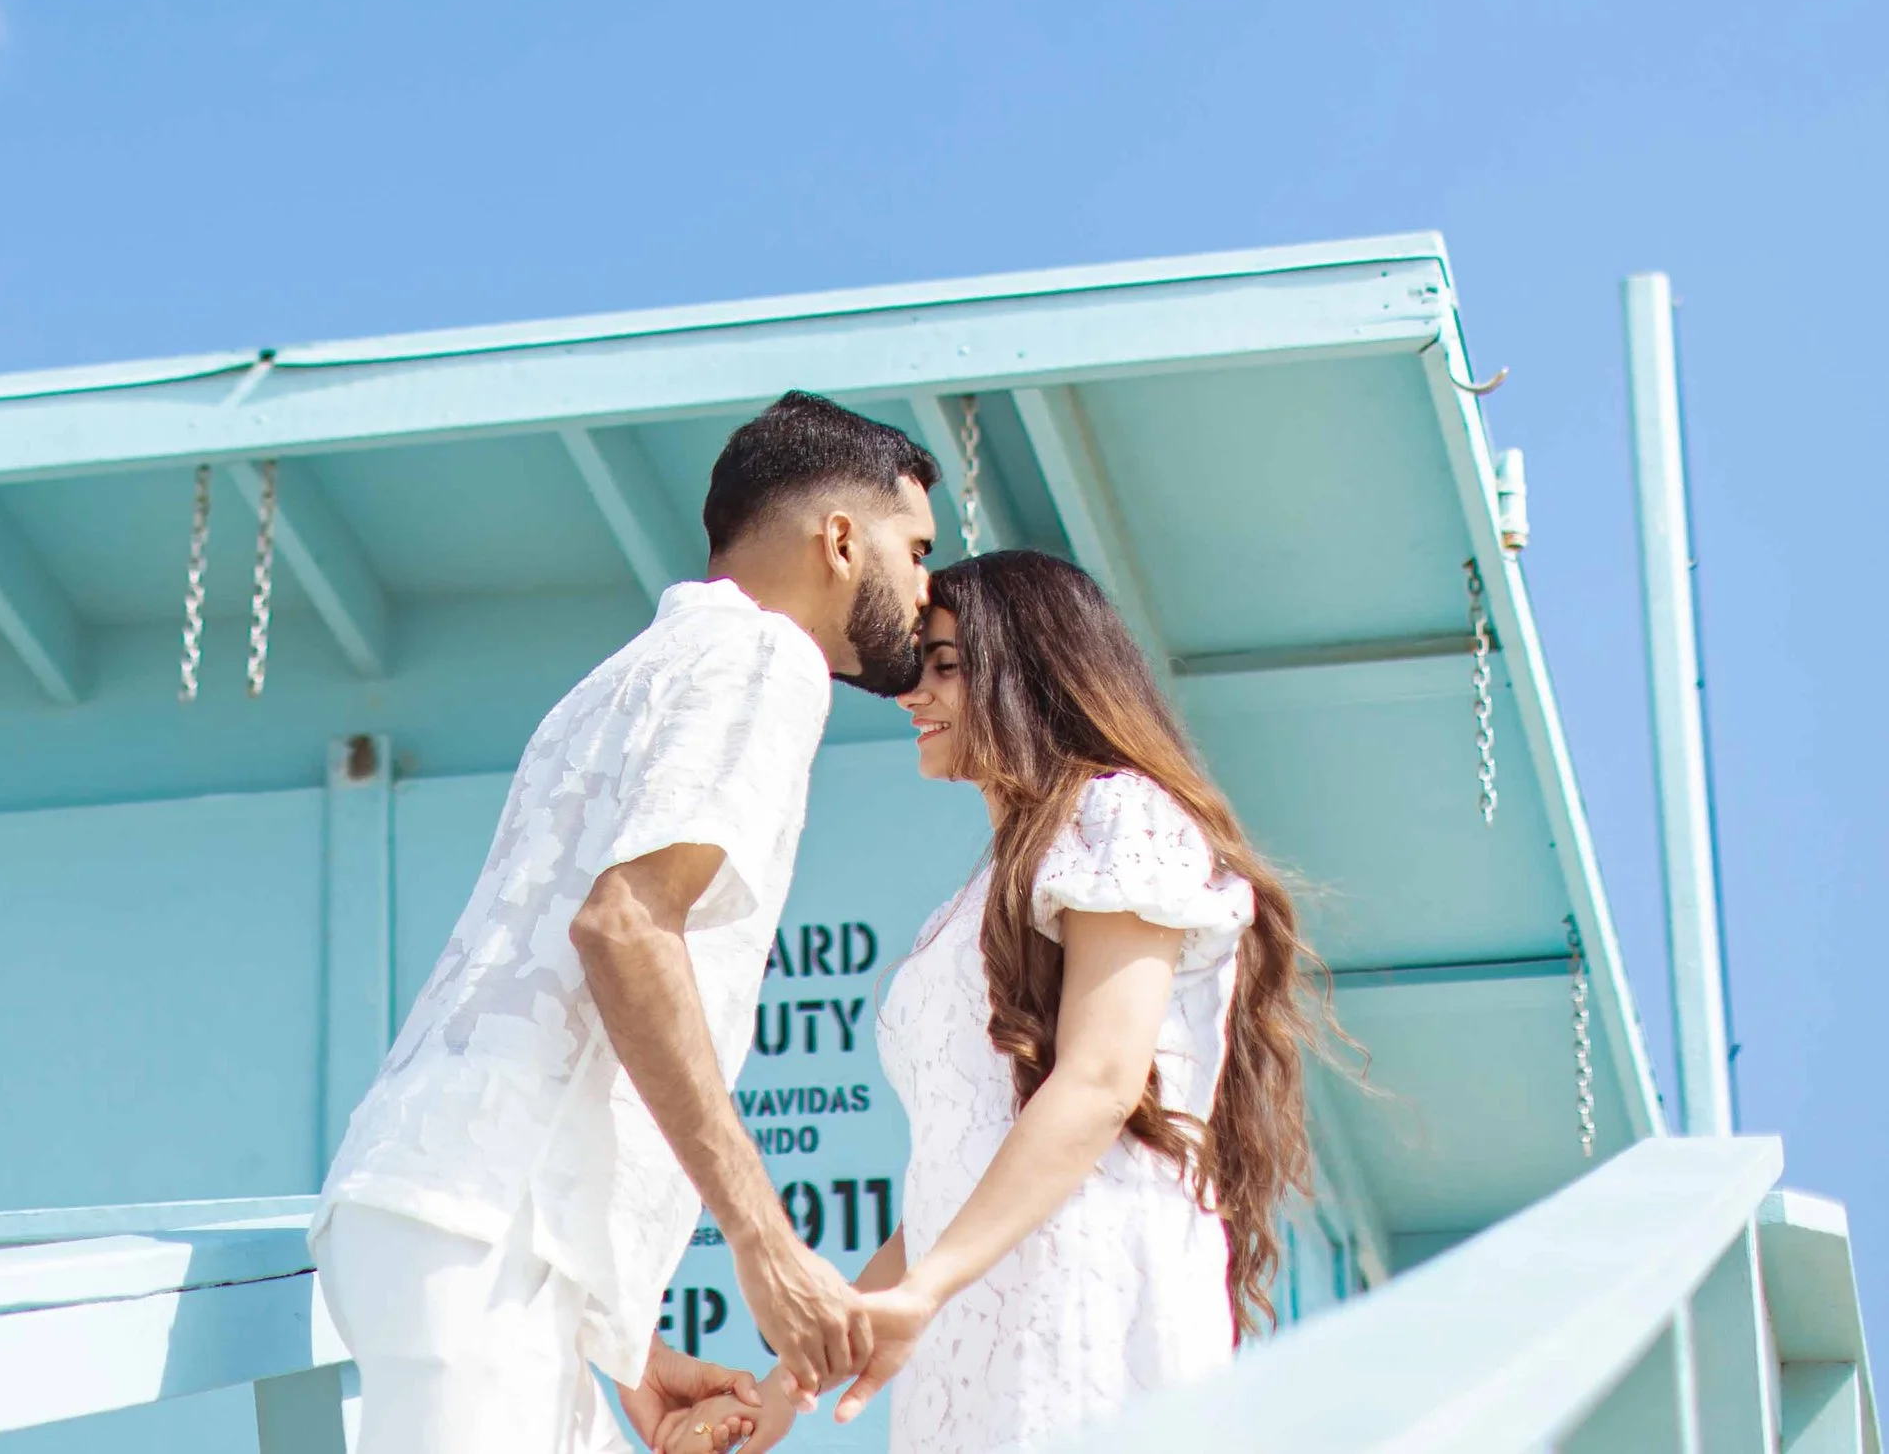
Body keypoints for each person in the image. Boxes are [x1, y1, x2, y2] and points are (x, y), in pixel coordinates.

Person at [312, 390, 940, 1454]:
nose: (925, 593)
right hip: (488, 1235)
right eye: (917, 550)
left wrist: (623, 1340)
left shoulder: (620, 676)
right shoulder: (765, 659)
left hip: (462, 1220)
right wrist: (765, 1241)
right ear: (841, 538)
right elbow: (622, 927)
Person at [655, 549, 1325, 1454]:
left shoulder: (1119, 814)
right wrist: (778, 1396)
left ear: (1032, 669)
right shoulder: (967, 905)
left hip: (1083, 1292)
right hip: (968, 1328)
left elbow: (1099, 1079)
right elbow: (945, 1186)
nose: (910, 694)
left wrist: (928, 1290)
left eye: (945, 665)